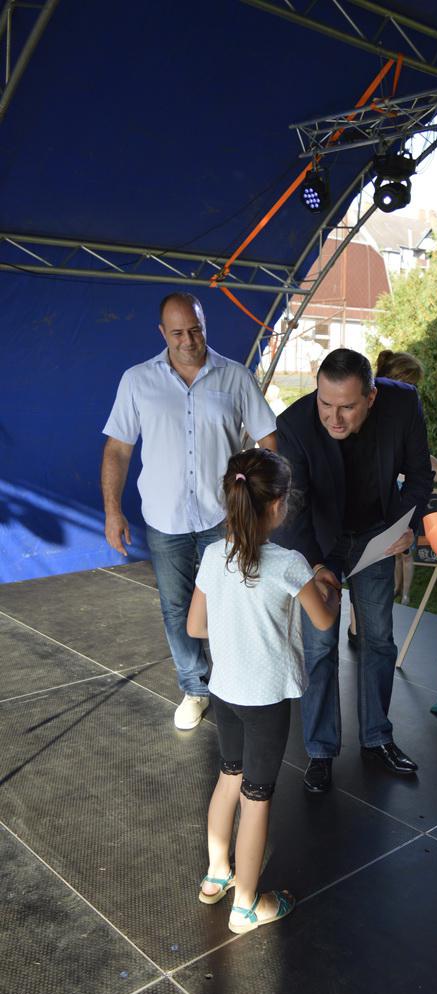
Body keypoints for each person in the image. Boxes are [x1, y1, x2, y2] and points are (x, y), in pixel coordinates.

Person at [101, 292, 277, 730]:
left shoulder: (235, 377)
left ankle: (237, 683)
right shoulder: (137, 381)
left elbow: (269, 441)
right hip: (165, 519)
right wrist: (112, 511)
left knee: (235, 600)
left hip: (225, 518)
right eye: (177, 332)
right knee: (177, 607)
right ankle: (195, 688)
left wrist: (260, 504)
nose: (188, 340)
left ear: (205, 326)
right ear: (162, 333)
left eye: (195, 330)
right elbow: (118, 450)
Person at [187, 448, 339, 934]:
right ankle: (247, 905)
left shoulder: (214, 556)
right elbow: (324, 620)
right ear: (276, 506)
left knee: (228, 778)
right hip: (265, 700)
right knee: (257, 798)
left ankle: (217, 874)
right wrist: (328, 587)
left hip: (225, 691)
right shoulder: (289, 564)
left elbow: (195, 626)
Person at [274, 347, 434, 793]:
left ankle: (377, 737)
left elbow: (419, 477)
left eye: (346, 407)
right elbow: (293, 509)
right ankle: (321, 750)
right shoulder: (294, 424)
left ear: (371, 396)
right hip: (319, 539)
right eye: (325, 404)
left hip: (377, 532)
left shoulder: (403, 403)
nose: (334, 418)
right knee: (319, 645)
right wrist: (316, 565)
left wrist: (405, 527)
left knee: (378, 638)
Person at [374, 349, 437, 606]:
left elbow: (421, 461)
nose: (414, 395)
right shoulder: (371, 416)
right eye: (410, 386)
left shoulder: (401, 420)